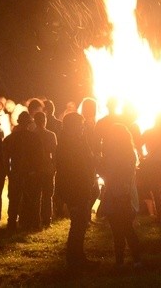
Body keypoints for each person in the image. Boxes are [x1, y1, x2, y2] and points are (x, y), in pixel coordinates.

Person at [55, 112, 96, 269]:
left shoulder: (77, 141)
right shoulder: (68, 144)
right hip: (75, 189)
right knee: (78, 224)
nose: (83, 127)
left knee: (80, 224)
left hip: (82, 188)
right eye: (81, 125)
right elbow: (69, 170)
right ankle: (74, 259)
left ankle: (78, 256)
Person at [99, 124, 142, 268]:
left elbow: (107, 173)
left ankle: (121, 261)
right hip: (125, 195)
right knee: (126, 228)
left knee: (119, 230)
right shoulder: (129, 154)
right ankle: (135, 259)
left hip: (117, 195)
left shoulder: (113, 156)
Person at [33, 111, 57, 228]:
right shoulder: (51, 135)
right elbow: (55, 152)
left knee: (35, 195)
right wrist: (54, 167)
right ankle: (47, 219)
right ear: (45, 120)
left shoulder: (31, 135)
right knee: (48, 196)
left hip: (35, 169)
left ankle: (35, 219)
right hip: (47, 168)